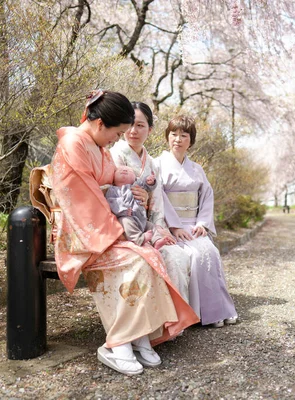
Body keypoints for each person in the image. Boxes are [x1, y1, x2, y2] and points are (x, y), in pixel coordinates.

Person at [49, 90, 198, 376]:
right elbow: (83, 201)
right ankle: (117, 343)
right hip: (83, 233)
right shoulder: (73, 145)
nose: (117, 139)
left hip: (105, 225)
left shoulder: (96, 145)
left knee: (150, 257)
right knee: (137, 261)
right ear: (101, 123)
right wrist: (121, 229)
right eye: (117, 133)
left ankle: (139, 334)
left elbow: (108, 190)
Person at [155, 115, 238, 328]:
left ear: (191, 141)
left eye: (184, 135)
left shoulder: (196, 169)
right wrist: (174, 225)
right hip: (171, 227)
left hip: (194, 226)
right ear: (167, 136)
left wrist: (202, 223)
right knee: (192, 255)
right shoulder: (158, 165)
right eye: (174, 134)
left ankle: (216, 310)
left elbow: (207, 196)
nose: (178, 139)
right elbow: (158, 197)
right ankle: (195, 313)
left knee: (210, 252)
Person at [110, 102, 192, 304]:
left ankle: (173, 320)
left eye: (140, 125)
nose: (133, 131)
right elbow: (110, 192)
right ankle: (154, 321)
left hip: (147, 224)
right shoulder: (115, 154)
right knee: (151, 259)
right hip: (123, 225)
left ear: (150, 129)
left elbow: (156, 201)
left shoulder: (153, 163)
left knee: (177, 256)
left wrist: (159, 229)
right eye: (129, 124)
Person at [105, 165, 171, 249]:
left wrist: (149, 181)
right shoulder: (113, 190)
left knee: (150, 226)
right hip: (127, 216)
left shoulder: (136, 185)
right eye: (120, 170)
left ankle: (157, 240)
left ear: (135, 178)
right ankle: (139, 239)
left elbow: (146, 184)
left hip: (141, 218)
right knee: (125, 222)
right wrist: (124, 210)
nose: (125, 170)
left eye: (129, 171)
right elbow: (112, 201)